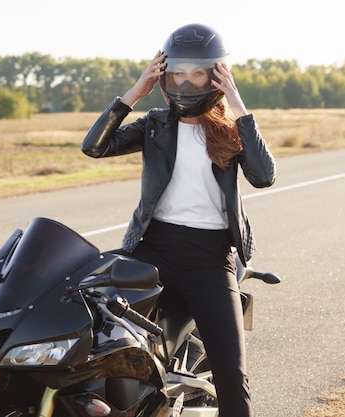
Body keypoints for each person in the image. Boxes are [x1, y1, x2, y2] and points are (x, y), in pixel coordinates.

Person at [81, 23, 276, 417]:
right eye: (178, 73)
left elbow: (264, 176)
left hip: (210, 259)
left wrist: (238, 104)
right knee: (87, 316)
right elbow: (94, 147)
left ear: (216, 74)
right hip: (152, 251)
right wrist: (135, 93)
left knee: (232, 376)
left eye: (198, 72)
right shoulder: (155, 124)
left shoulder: (231, 131)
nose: (187, 82)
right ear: (165, 75)